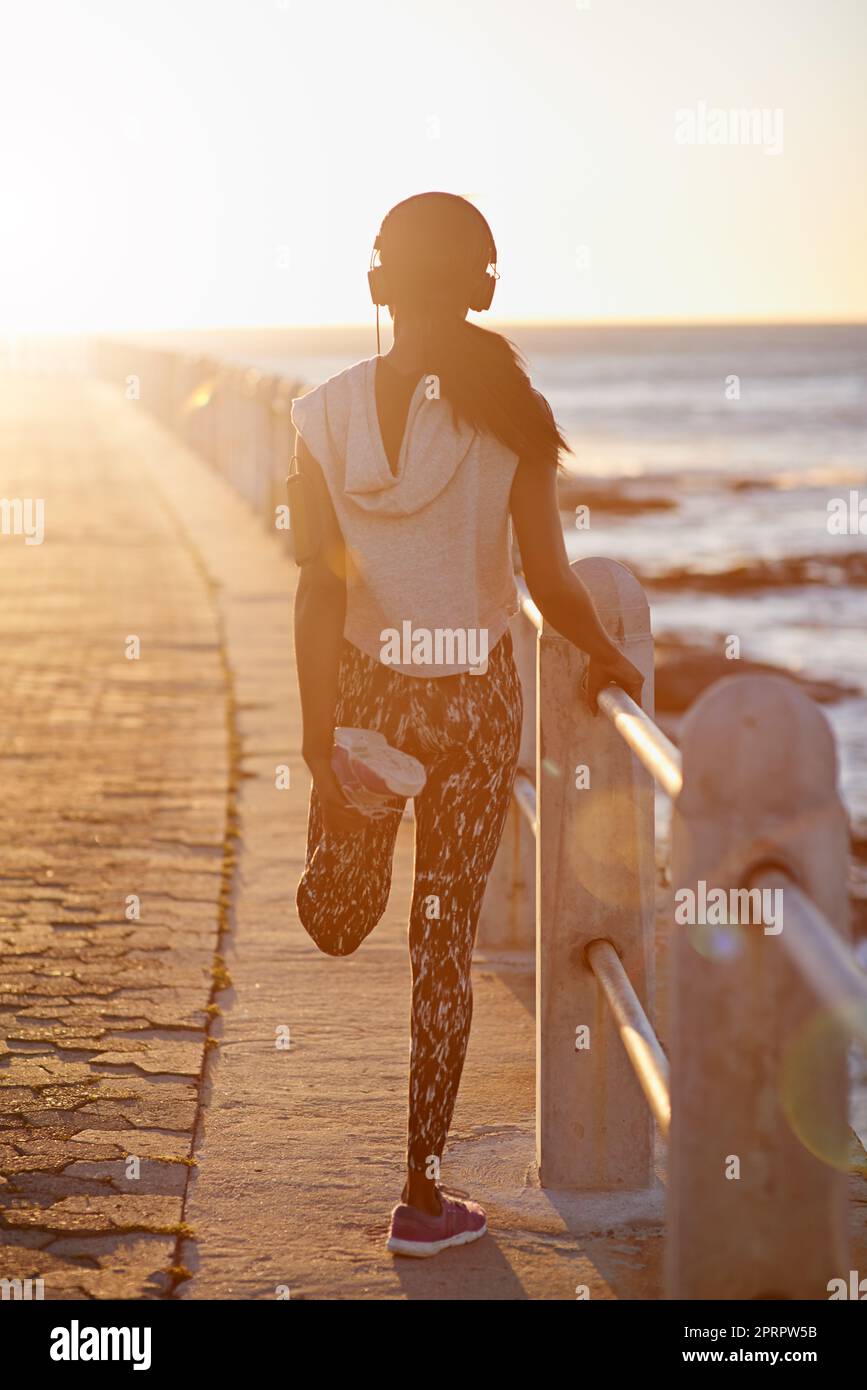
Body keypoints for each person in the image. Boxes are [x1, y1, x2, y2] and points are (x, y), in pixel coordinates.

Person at [290, 191, 644, 1258]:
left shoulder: (321, 415)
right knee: (440, 942)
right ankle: (421, 1194)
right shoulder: (512, 411)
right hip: (473, 705)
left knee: (336, 915)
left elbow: (316, 587)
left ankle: (352, 838)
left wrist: (318, 746)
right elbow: (550, 579)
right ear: (487, 284)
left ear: (376, 284)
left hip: (366, 694)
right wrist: (615, 657)